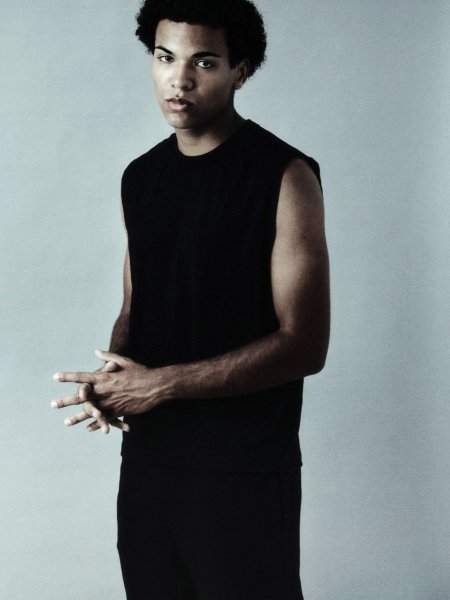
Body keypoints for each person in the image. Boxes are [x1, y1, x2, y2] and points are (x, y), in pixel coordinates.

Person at [51, 0, 330, 597]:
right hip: (148, 464)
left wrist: (159, 385)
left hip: (243, 469)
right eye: (165, 57)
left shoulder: (285, 175)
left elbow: (305, 345)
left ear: (240, 71)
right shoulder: (141, 177)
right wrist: (111, 382)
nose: (179, 80)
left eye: (204, 62)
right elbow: (137, 306)